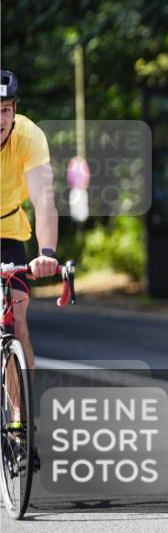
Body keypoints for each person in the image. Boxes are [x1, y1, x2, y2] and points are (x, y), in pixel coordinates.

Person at [1, 69, 59, 471]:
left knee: (16, 322)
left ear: (15, 110)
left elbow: (44, 202)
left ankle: (23, 425)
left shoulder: (29, 138)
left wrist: (47, 253)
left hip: (8, 230)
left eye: (5, 110)